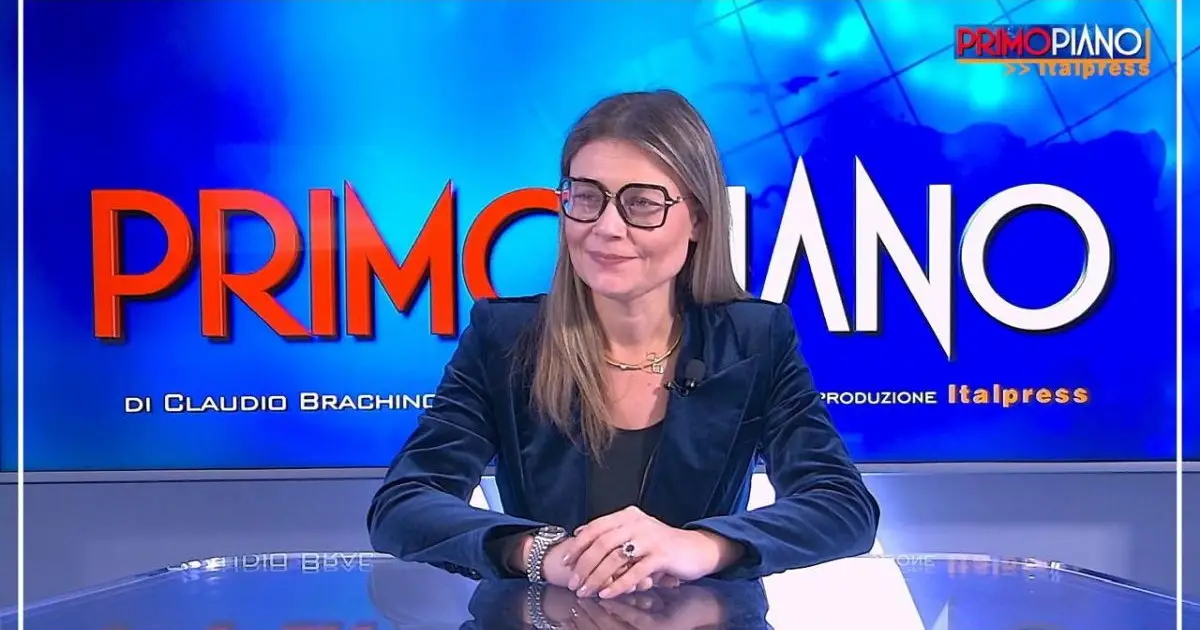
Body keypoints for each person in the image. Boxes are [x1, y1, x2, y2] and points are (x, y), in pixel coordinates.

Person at [368, 89, 879, 601]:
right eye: (587, 197)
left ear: (698, 218)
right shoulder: (504, 339)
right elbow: (405, 503)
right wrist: (542, 553)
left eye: (642, 204)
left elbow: (842, 505)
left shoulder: (753, 340)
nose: (607, 228)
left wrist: (702, 546)